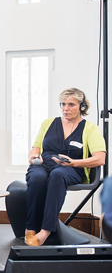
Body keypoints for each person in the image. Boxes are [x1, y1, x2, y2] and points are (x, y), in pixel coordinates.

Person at [25, 88, 106, 246]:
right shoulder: (48, 123)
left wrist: (73, 162)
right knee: (37, 178)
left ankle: (46, 231)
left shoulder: (90, 129)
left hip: (72, 168)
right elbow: (35, 148)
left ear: (82, 107)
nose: (65, 109)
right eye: (63, 104)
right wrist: (33, 157)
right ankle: (30, 228)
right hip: (44, 163)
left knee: (58, 175)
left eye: (71, 105)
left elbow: (100, 159)